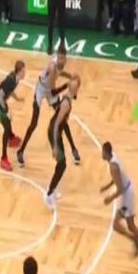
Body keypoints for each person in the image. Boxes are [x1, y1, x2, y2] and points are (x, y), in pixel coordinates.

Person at [17, 47, 79, 168]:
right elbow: (53, 91)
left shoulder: (61, 65)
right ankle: (21, 151)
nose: (61, 60)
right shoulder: (52, 67)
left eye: (62, 58)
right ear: (57, 57)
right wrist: (67, 84)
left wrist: (70, 76)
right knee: (34, 123)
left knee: (63, 118)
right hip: (42, 89)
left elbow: (60, 73)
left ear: (65, 58)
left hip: (51, 89)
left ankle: (74, 149)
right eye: (59, 58)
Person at [100, 141, 138, 264]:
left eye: (102, 152)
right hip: (127, 191)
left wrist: (110, 198)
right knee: (129, 226)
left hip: (126, 195)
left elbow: (120, 188)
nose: (101, 154)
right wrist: (107, 186)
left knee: (119, 225)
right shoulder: (114, 158)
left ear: (106, 153)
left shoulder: (113, 167)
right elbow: (117, 178)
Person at [45, 76, 80, 210]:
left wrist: (72, 146)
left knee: (61, 164)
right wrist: (54, 145)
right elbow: (56, 125)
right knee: (62, 164)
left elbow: (63, 124)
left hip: (57, 133)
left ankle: (52, 189)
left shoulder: (68, 99)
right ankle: (49, 195)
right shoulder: (66, 104)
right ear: (74, 89)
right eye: (76, 87)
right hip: (53, 133)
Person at [0, 61, 25, 171]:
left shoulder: (15, 79)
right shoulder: (11, 80)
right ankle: (3, 158)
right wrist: (5, 110)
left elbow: (7, 88)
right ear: (19, 71)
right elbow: (0, 96)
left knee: (8, 121)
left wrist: (17, 98)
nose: (25, 73)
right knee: (6, 124)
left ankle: (11, 137)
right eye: (24, 71)